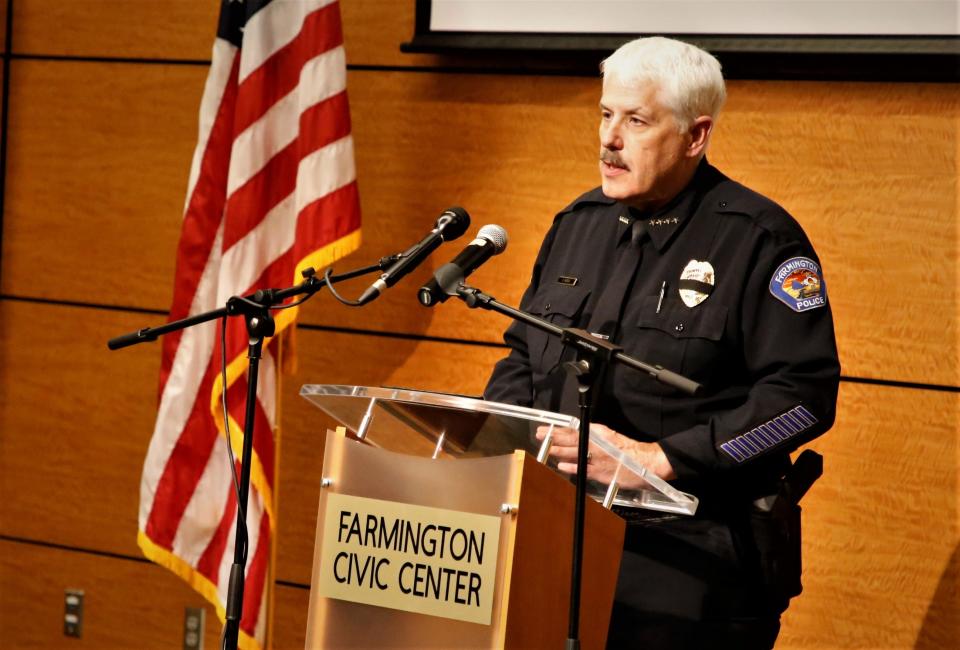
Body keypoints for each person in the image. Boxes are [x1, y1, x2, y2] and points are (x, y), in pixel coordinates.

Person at [483, 37, 840, 649]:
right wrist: (500, 438)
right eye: (605, 114)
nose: (609, 139)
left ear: (695, 136)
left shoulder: (760, 241)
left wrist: (663, 460)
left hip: (691, 564)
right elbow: (524, 353)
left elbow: (803, 398)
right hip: (556, 542)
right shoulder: (578, 224)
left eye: (636, 120)